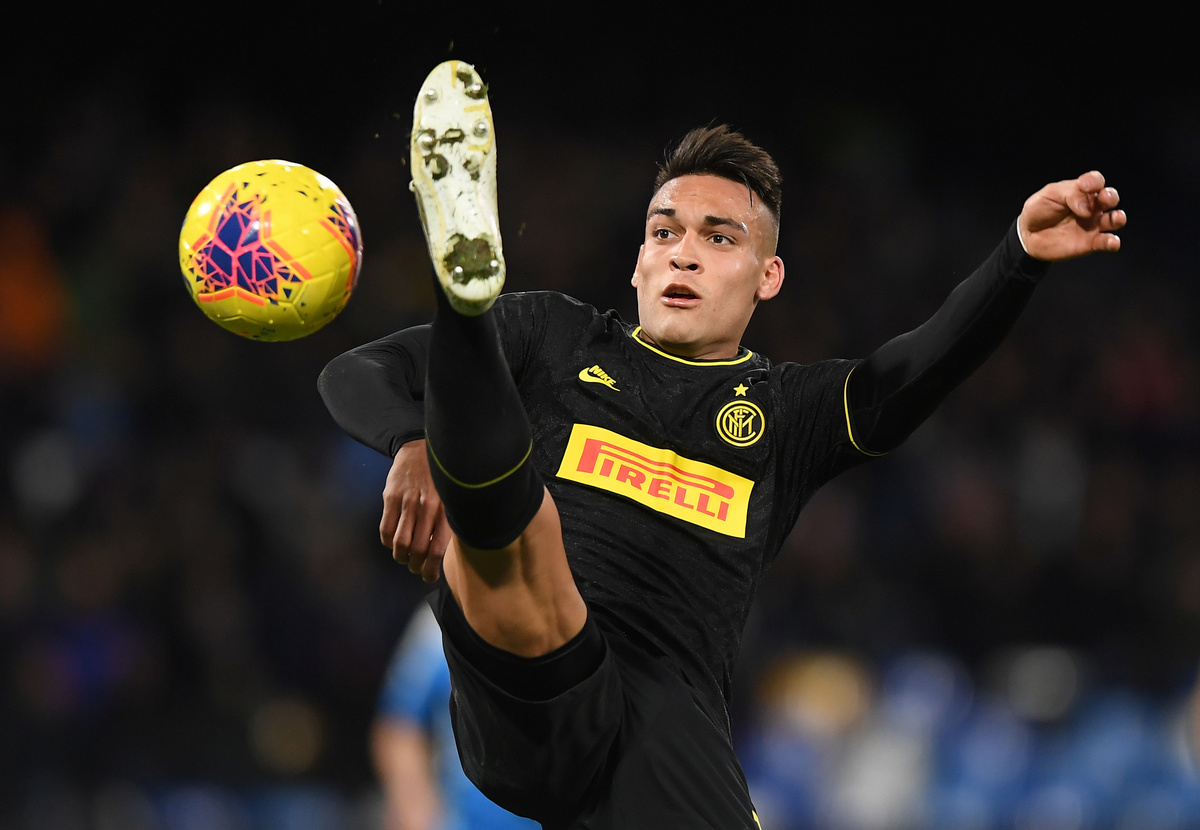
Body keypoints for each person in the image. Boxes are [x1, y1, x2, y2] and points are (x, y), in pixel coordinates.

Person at [320, 60, 1126, 830]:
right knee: (520, 532)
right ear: (639, 263)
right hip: (528, 677)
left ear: (766, 276)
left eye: (718, 238)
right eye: (663, 232)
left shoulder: (787, 414)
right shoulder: (559, 337)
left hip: (665, 723)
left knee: (515, 519)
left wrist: (1018, 257)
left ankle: (465, 339)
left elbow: (911, 372)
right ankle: (463, 296)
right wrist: (413, 443)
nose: (683, 251)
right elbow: (357, 372)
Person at [372, 602, 540, 830]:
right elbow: (400, 724)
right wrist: (413, 803)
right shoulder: (438, 624)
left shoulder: (579, 607)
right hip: (464, 820)